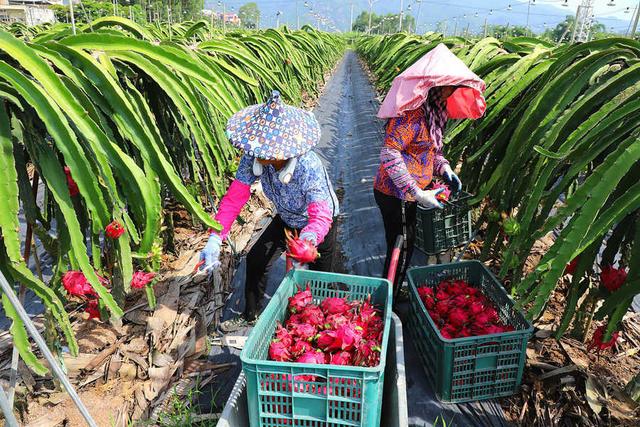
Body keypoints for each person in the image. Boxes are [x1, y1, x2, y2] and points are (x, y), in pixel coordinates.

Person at [200, 90, 339, 332]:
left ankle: (316, 327)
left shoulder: (308, 166)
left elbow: (321, 212)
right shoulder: (253, 157)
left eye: (264, 149)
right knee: (256, 259)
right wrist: (215, 236)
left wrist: (308, 240)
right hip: (286, 216)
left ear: (281, 150)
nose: (257, 152)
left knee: (319, 279)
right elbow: (235, 198)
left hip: (316, 224)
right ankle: (249, 315)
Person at [374, 44, 487, 293]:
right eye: (448, 87)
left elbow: (431, 153)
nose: (450, 93)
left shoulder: (433, 114)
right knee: (400, 246)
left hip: (410, 194)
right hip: (397, 194)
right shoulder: (410, 116)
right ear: (433, 87)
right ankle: (388, 295)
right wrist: (416, 191)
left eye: (454, 88)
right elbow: (390, 153)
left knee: (406, 244)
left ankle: (392, 287)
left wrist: (445, 169)